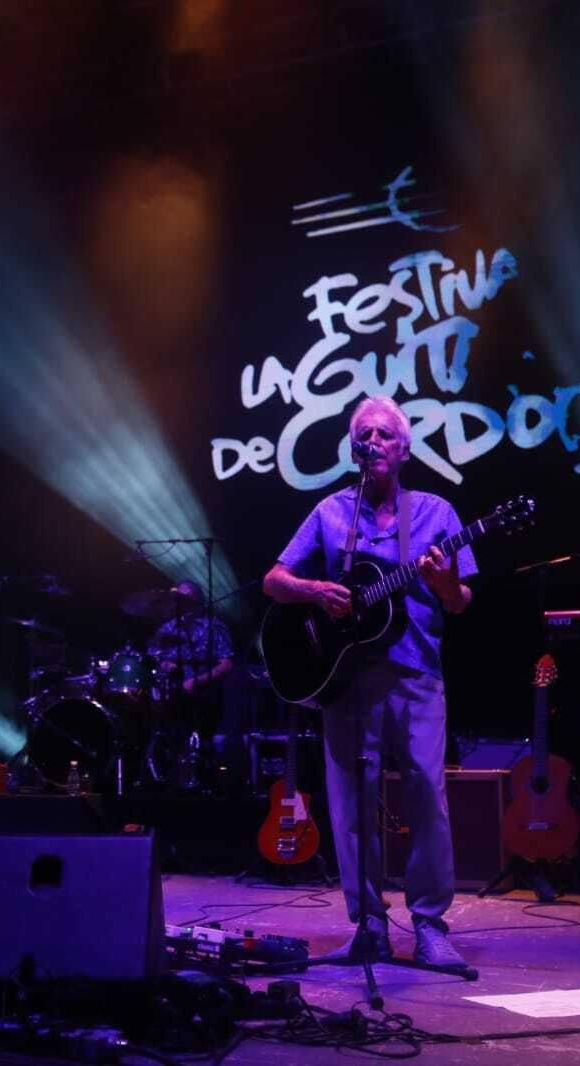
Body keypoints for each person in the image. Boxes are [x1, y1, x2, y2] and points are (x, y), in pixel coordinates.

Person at [262, 396, 476, 970]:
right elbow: (274, 580)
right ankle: (369, 928)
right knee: (351, 804)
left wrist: (444, 579)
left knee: (427, 798)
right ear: (353, 448)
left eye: (384, 434)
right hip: (347, 680)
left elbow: (459, 603)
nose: (373, 442)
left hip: (416, 674)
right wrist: (314, 591)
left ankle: (430, 927)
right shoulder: (332, 512)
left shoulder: (436, 513)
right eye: (364, 434)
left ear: (403, 449)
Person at [145, 581, 234, 790]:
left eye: (184, 599)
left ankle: (204, 780)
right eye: (176, 600)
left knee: (202, 742)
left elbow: (227, 664)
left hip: (204, 695)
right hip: (172, 694)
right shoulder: (167, 628)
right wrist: (165, 664)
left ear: (195, 601)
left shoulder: (213, 626)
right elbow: (154, 655)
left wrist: (197, 681)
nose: (179, 604)